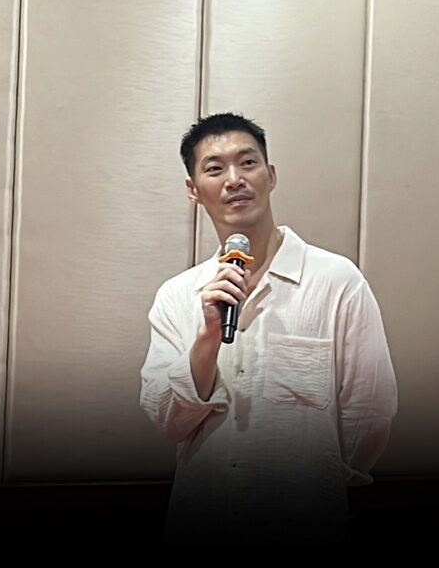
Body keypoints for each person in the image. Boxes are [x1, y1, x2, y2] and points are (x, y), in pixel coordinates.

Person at [139, 112, 398, 549]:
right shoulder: (177, 296)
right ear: (193, 190)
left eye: (248, 163)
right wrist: (206, 340)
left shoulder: (337, 281)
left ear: (271, 175)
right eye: (215, 169)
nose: (234, 180)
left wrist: (316, 489)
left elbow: (370, 412)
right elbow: (166, 419)